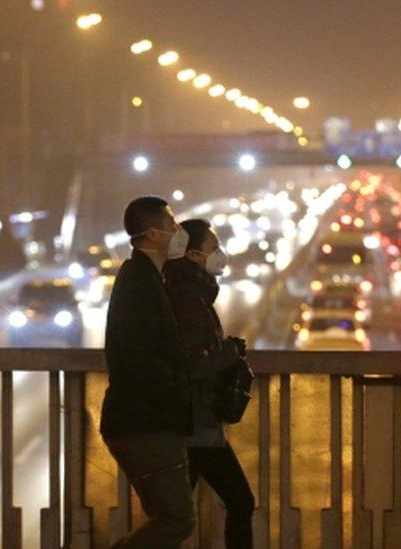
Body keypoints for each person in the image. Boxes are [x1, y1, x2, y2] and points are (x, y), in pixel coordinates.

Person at [101, 196, 195, 548]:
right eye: (172, 224)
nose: (177, 231)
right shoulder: (138, 284)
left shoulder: (146, 278)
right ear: (153, 235)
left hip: (147, 421)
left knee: (169, 518)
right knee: (176, 520)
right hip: (144, 424)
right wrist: (175, 393)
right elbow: (143, 358)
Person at [164, 219, 255, 548]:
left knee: (174, 517)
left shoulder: (191, 293)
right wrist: (230, 351)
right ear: (192, 256)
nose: (220, 254)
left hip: (197, 422)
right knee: (239, 502)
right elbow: (195, 362)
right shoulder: (188, 298)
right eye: (213, 248)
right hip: (196, 424)